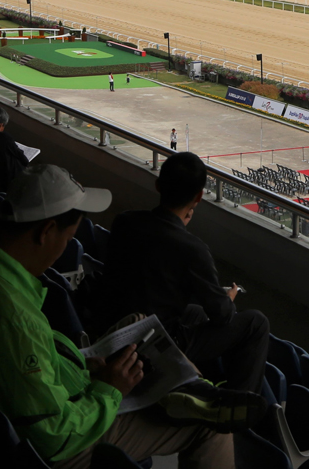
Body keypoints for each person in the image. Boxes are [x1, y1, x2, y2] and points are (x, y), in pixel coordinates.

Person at [0, 164, 235, 469]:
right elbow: (54, 435)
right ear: (46, 232)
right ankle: (198, 393)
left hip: (47, 409)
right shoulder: (14, 317)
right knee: (211, 424)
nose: (63, 250)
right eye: (68, 238)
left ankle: (191, 392)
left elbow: (28, 363)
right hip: (62, 444)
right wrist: (108, 390)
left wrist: (77, 366)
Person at [101, 153, 269, 393]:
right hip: (158, 343)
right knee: (256, 323)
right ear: (199, 196)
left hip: (118, 330)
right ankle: (239, 408)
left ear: (158, 185)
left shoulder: (124, 221)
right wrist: (228, 300)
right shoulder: (193, 249)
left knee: (197, 312)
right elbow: (222, 316)